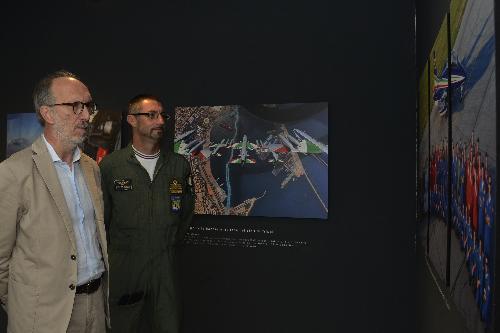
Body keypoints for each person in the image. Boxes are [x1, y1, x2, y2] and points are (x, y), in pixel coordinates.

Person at [0, 70, 109, 332]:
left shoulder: (92, 168)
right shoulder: (13, 172)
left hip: (95, 305)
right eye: (75, 106)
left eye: (88, 106)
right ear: (47, 113)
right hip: (45, 316)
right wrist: (25, 304)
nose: (86, 115)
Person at [100, 94, 194, 332]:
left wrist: (165, 240)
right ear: (132, 120)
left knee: (168, 325)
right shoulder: (111, 166)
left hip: (165, 265)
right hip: (125, 267)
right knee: (121, 326)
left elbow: (185, 214)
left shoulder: (178, 165)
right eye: (151, 115)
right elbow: (102, 219)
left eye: (162, 115)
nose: (160, 121)